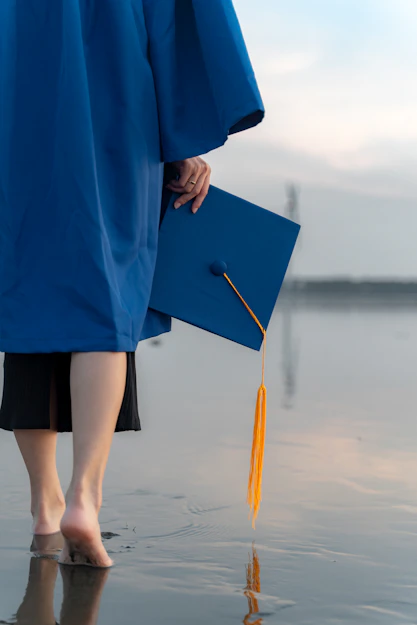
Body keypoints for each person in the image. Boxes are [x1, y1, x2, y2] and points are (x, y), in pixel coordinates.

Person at [0, 0, 265, 567]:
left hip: (15, 112)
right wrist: (178, 139)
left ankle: (44, 510)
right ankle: (83, 502)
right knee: (108, 294)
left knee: (28, 295)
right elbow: (176, 27)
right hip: (118, 108)